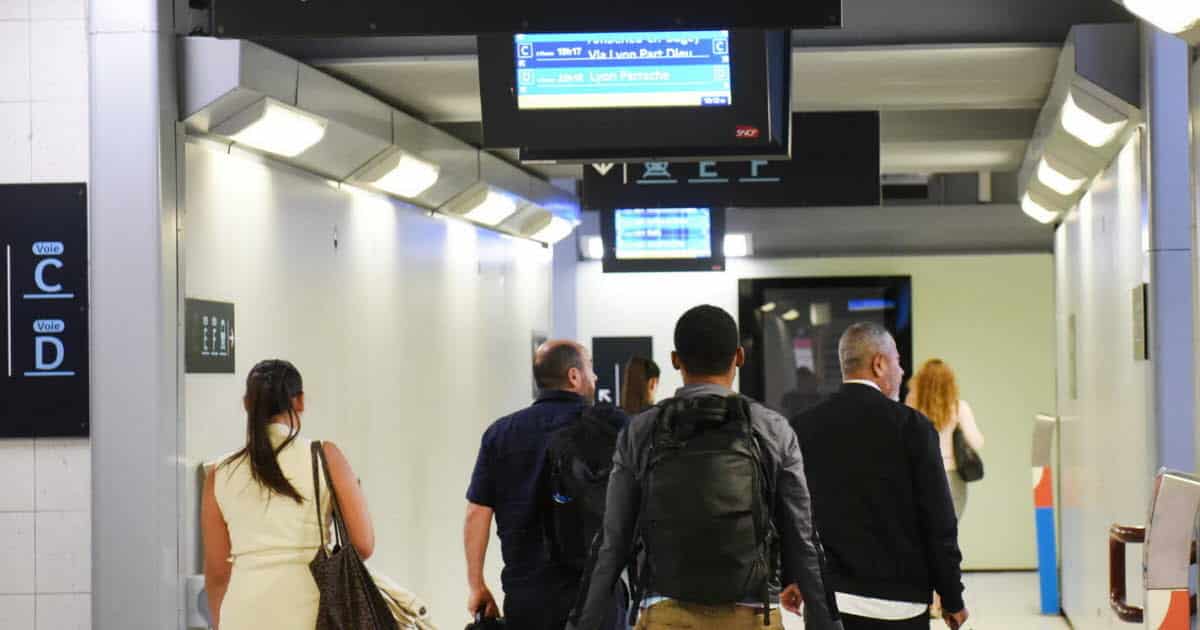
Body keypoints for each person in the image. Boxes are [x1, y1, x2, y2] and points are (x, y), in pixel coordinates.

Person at [569, 305, 841, 630]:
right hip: (753, 616)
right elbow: (803, 539)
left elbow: (612, 542)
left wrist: (580, 624)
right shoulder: (772, 429)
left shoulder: (641, 431)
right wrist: (827, 624)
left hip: (665, 614)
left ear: (675, 360)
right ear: (739, 356)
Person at [791, 323, 969, 630]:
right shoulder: (912, 427)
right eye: (898, 362)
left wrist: (790, 576)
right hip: (900, 603)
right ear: (879, 364)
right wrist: (952, 597)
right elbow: (938, 521)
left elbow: (793, 513)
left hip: (829, 601)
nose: (902, 372)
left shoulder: (804, 426)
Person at [465, 341, 629, 630]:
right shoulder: (613, 427)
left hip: (527, 599)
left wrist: (476, 584)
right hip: (597, 595)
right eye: (590, 367)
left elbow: (476, 514)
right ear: (574, 376)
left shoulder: (500, 434)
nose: (596, 377)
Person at [201, 359, 375, 630]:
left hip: (242, 613)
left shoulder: (219, 473)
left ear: (247, 403)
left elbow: (217, 571)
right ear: (300, 402)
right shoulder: (324, 456)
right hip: (310, 610)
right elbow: (363, 544)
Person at [906, 359, 985, 520]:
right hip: (950, 477)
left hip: (919, 476)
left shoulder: (911, 405)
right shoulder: (958, 408)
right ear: (950, 384)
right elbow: (977, 442)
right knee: (948, 534)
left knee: (921, 533)